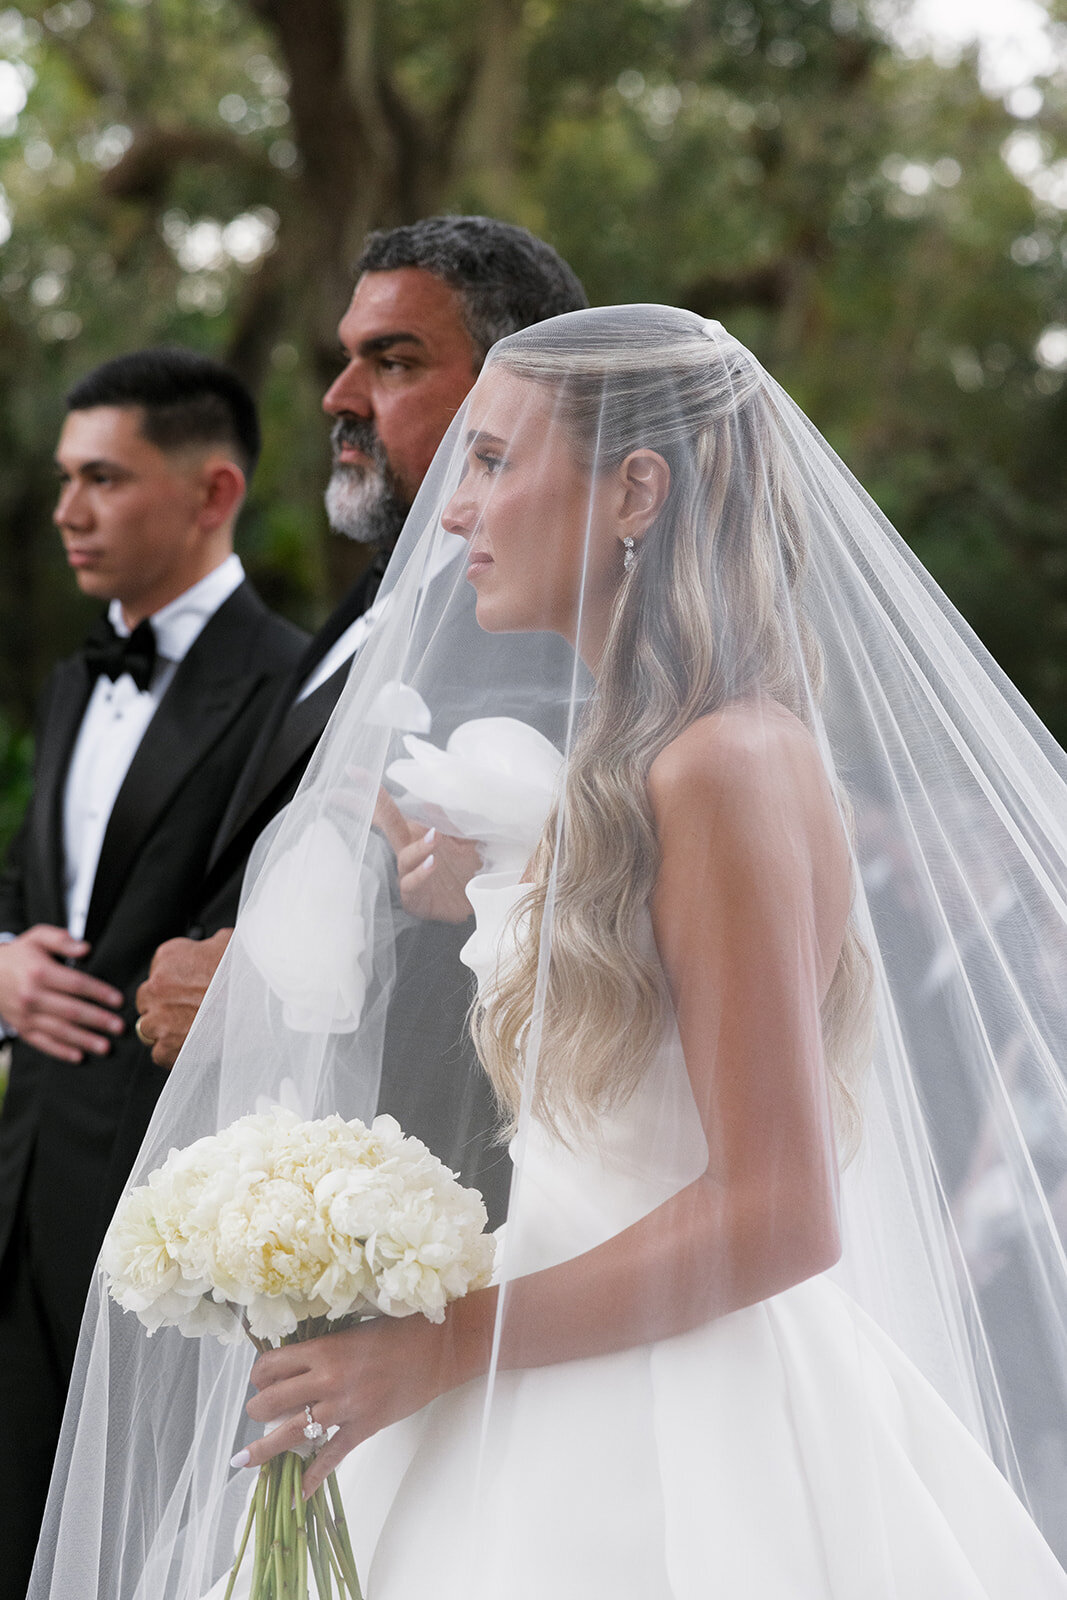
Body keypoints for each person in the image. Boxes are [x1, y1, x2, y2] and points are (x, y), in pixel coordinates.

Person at [32, 307, 1067, 1598]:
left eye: (491, 462)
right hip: (542, 1344)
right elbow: (646, 1003)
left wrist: (445, 1345)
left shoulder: (721, 761)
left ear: (635, 489)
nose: (452, 514)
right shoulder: (640, 763)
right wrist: (497, 900)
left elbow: (778, 1213)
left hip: (656, 1418)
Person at [133, 215, 588, 1079]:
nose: (338, 395)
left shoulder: (552, 641)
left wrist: (261, 1004)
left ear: (516, 387)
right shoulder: (376, 593)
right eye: (347, 357)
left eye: (393, 362)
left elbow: (545, 968)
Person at [0, 347, 308, 1600]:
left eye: (104, 480)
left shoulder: (292, 685)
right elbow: (33, 897)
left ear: (210, 491)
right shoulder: (76, 678)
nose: (68, 511)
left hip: (169, 1211)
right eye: (67, 479)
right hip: (21, 1183)